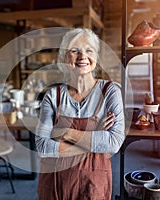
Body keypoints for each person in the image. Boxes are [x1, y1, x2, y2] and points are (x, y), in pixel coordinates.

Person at [35, 28, 125, 200]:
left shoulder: (110, 92)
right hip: (54, 184)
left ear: (96, 57)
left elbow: (113, 143)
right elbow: (42, 147)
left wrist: (64, 133)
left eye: (89, 50)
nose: (82, 56)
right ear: (63, 58)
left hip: (91, 184)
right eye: (75, 51)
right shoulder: (53, 96)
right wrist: (94, 138)